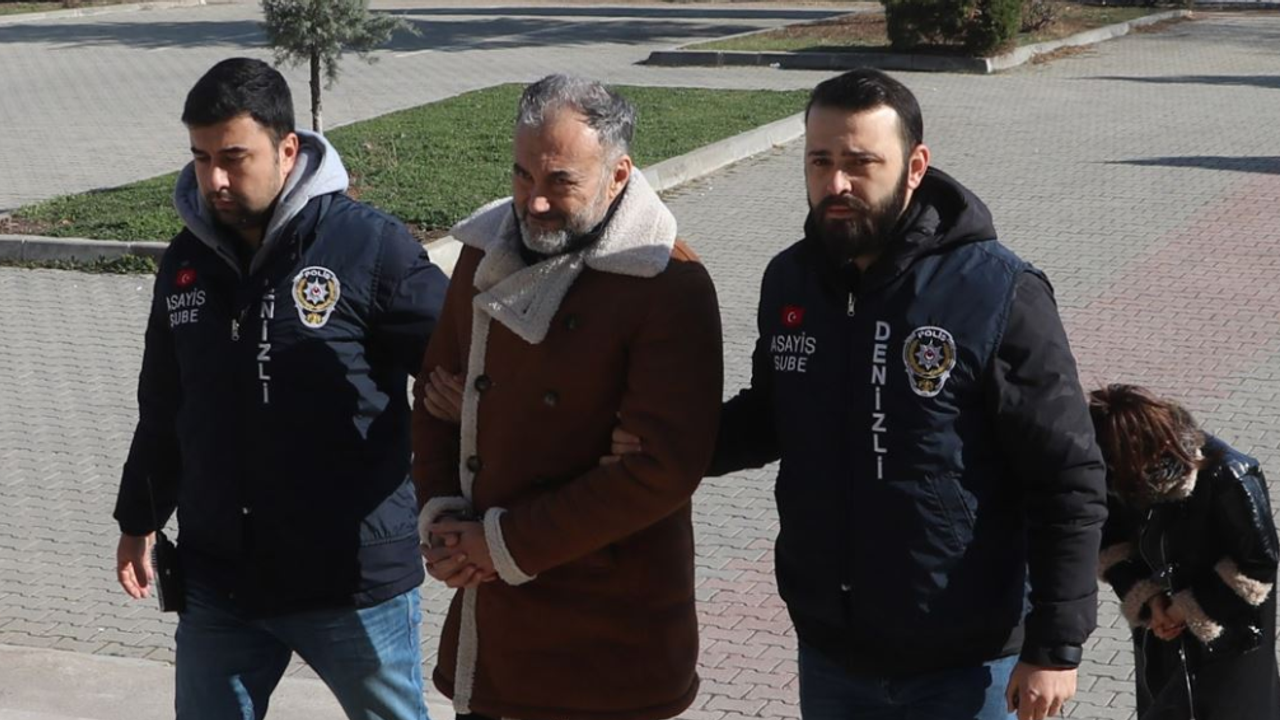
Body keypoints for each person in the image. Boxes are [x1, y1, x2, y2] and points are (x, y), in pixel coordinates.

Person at [607, 68, 1108, 720]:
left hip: (967, 666)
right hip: (832, 654)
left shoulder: (997, 291)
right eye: (820, 161)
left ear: (915, 166)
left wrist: (1056, 647)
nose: (836, 184)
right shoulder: (792, 280)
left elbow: (1067, 475)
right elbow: (773, 416)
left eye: (860, 163)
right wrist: (665, 441)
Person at [112, 57, 447, 720]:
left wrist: (459, 502)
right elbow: (166, 405)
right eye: (201, 158)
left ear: (287, 149)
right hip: (221, 580)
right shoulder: (186, 263)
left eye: (233, 158)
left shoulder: (369, 248)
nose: (214, 179)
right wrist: (138, 517)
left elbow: (466, 373)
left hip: (350, 581)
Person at [411, 74, 723, 720]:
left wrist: (500, 544)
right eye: (522, 175)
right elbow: (437, 394)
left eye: (560, 182)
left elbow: (661, 471)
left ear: (617, 175)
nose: (535, 201)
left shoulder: (670, 282)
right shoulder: (482, 255)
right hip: (494, 619)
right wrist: (442, 521)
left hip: (612, 640)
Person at [1091, 384, 1280, 719]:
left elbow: (1257, 563)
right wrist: (1150, 602)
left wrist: (1185, 608)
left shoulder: (1230, 475)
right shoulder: (1120, 473)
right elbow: (1112, 543)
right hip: (1162, 637)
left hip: (1229, 644)